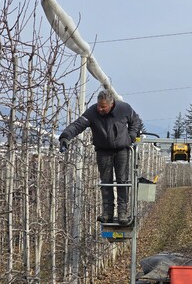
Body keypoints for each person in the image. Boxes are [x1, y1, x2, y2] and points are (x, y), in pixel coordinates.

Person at [59, 89, 142, 224]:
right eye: (99, 105)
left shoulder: (124, 109)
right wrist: (65, 136)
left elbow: (136, 121)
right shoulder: (92, 112)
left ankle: (122, 212)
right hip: (103, 151)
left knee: (122, 181)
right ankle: (107, 212)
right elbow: (78, 125)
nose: (100, 109)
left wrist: (131, 137)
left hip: (122, 150)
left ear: (111, 104)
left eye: (103, 107)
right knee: (105, 181)